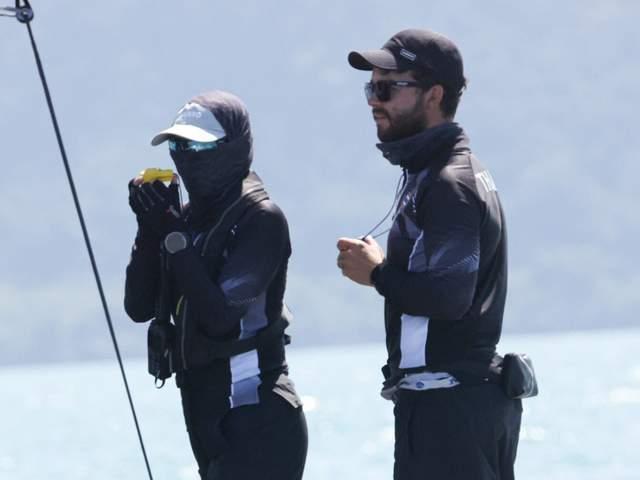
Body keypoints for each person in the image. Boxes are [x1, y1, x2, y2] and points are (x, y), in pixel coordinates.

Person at [336, 29, 522, 480]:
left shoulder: (448, 182)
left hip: (452, 410)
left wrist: (377, 274)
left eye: (387, 88)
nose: (373, 101)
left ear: (434, 95)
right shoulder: (437, 174)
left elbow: (448, 297)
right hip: (447, 405)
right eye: (370, 88)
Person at [124, 90, 308, 480]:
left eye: (198, 145)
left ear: (233, 147)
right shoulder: (186, 221)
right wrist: (148, 229)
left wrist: (173, 236)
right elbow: (138, 307)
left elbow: (221, 318)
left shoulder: (262, 219)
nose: (186, 155)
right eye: (178, 145)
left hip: (258, 418)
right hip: (208, 421)